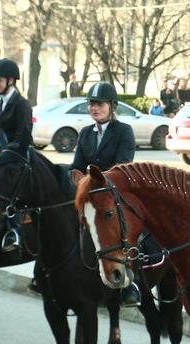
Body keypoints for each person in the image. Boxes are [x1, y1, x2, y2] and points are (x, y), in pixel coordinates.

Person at [70, 82, 140, 306]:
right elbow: (77, 165)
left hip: (115, 193)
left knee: (128, 230)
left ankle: (132, 283)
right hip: (91, 195)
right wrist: (76, 176)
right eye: (91, 104)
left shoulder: (124, 131)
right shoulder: (85, 133)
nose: (94, 108)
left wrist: (93, 181)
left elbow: (122, 166)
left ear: (112, 106)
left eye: (99, 104)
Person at [0, 58, 33, 253]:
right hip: (4, 154)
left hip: (20, 154)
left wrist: (4, 153)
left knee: (7, 185)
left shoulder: (22, 104)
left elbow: (24, 134)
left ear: (11, 80)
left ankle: (14, 231)